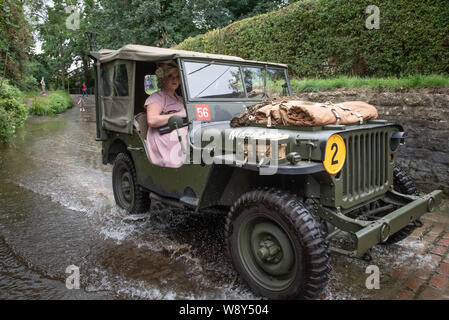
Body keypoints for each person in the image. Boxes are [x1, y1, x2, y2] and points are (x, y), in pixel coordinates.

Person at [144, 62, 187, 168]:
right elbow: (152, 120)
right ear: (162, 79)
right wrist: (180, 114)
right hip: (164, 133)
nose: (175, 79)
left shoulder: (180, 99)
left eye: (177, 76)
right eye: (170, 76)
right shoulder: (158, 97)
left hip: (181, 129)